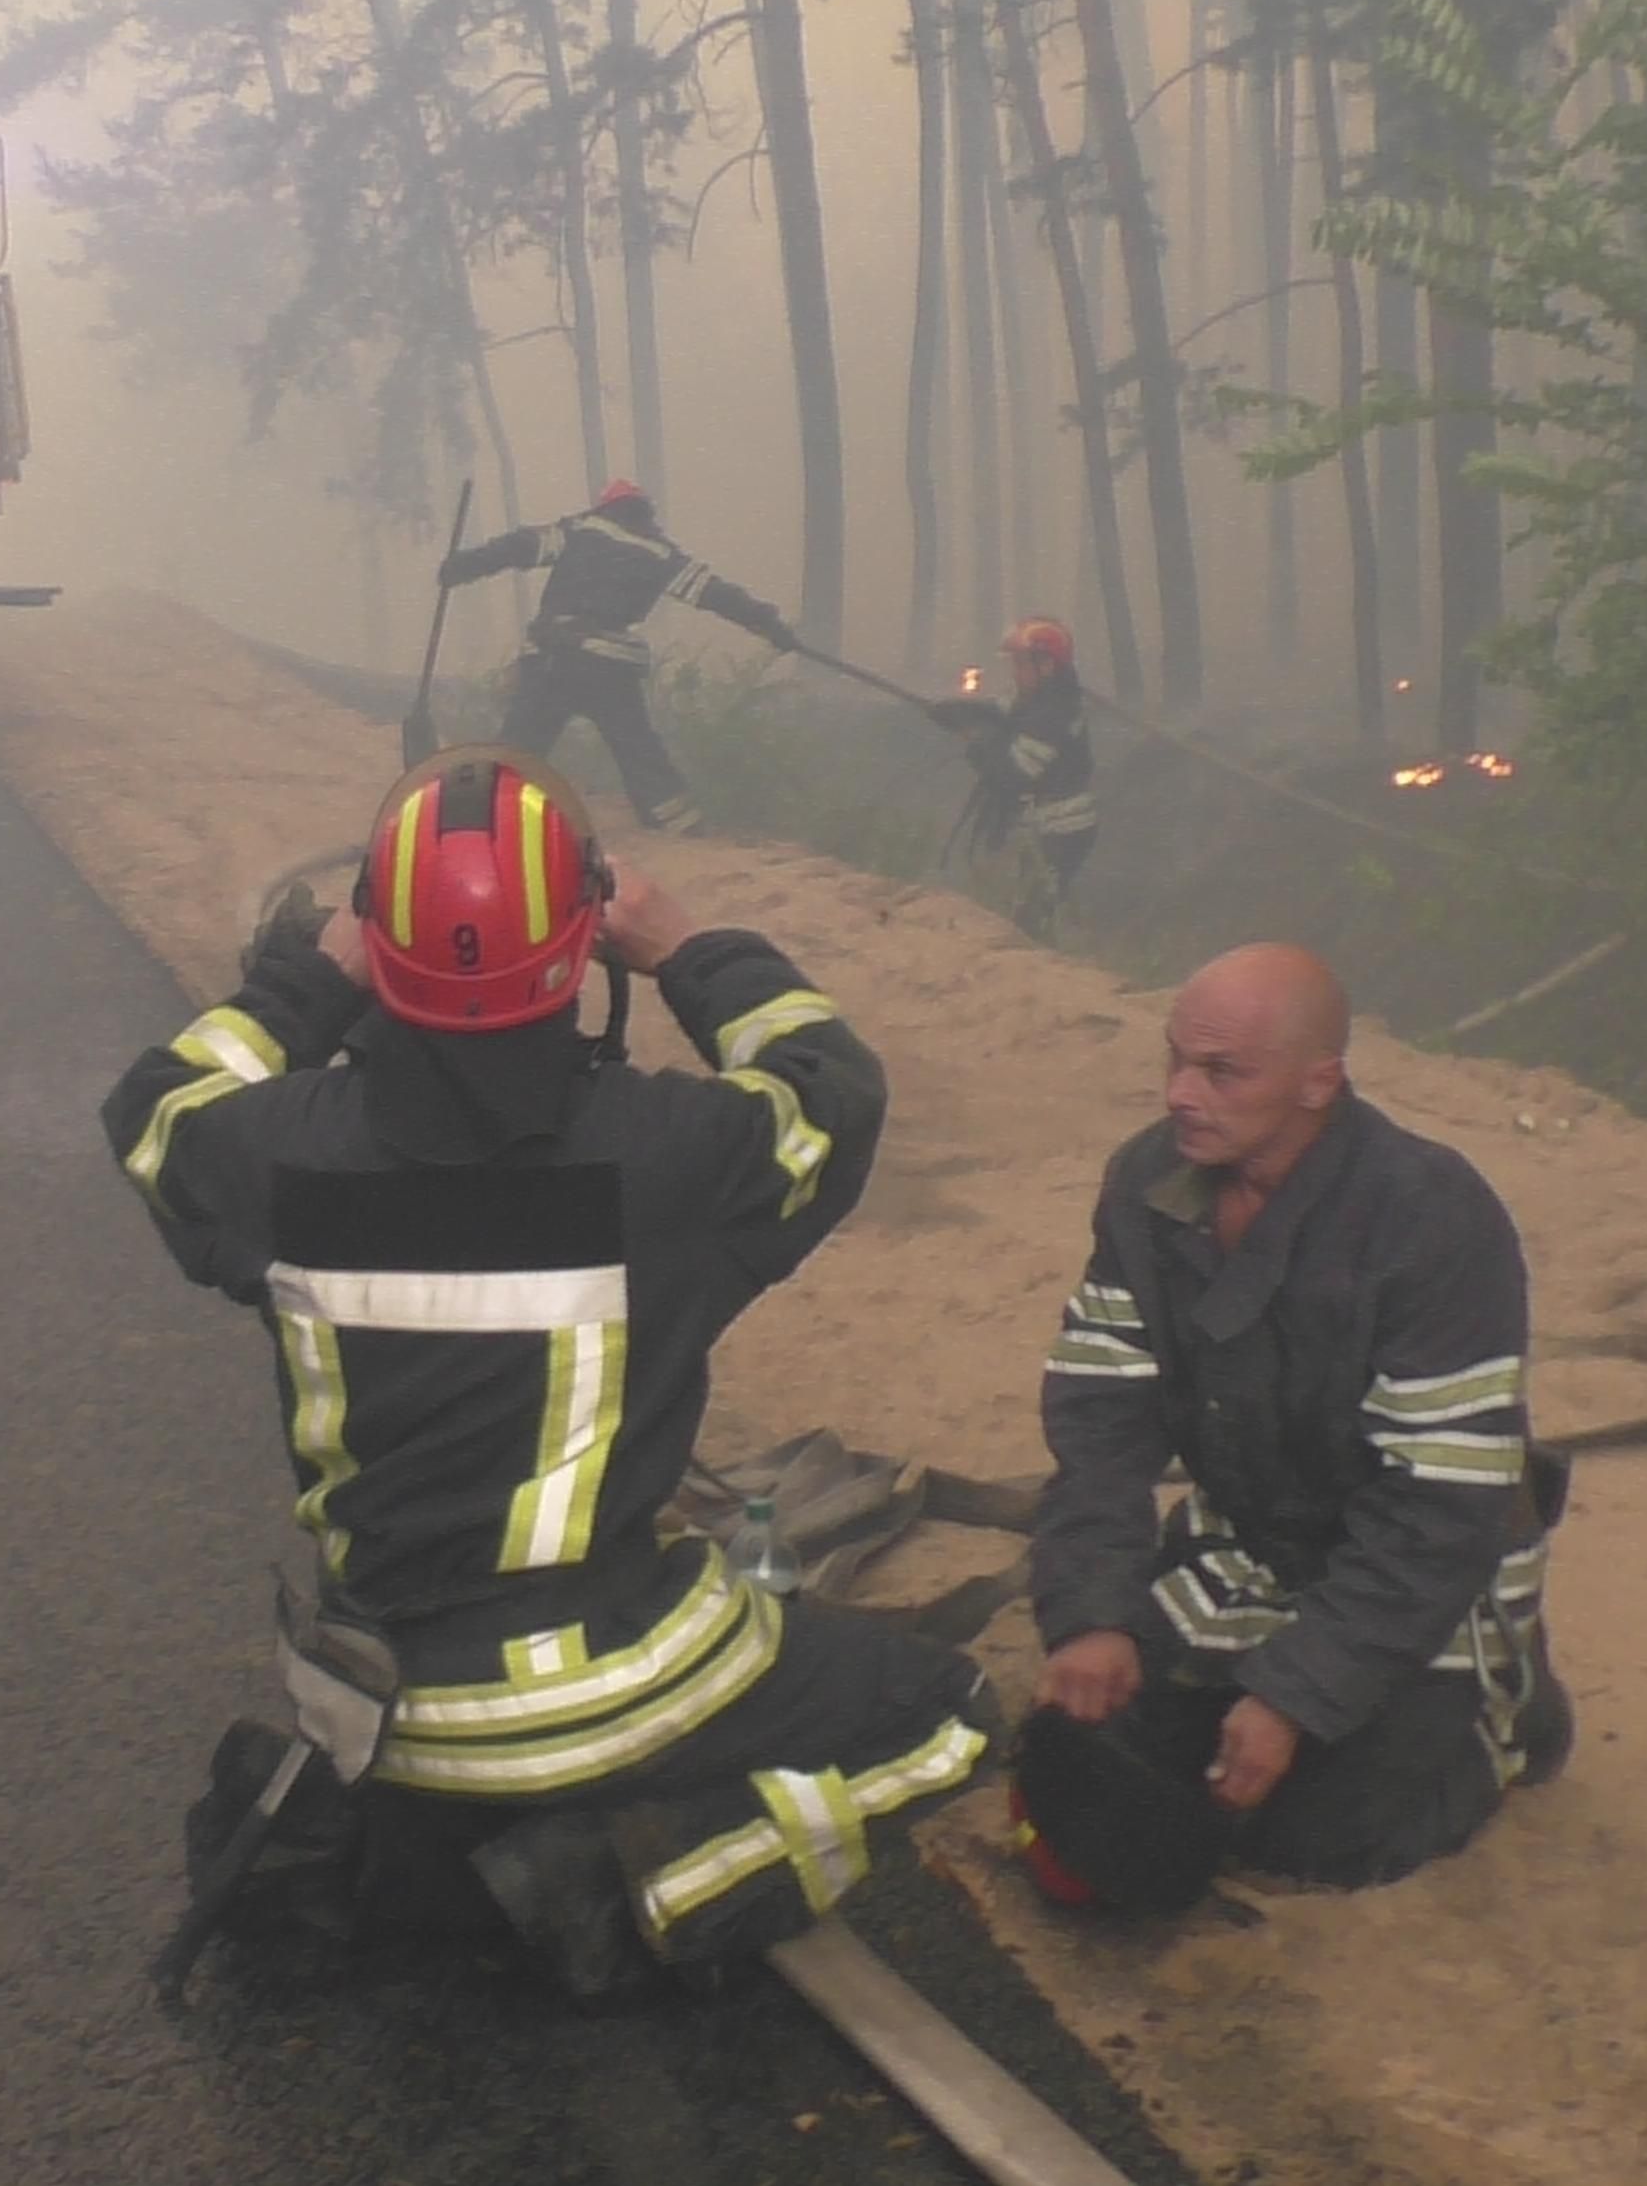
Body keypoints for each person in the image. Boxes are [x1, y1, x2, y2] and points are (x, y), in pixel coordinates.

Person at [103, 750, 995, 1992]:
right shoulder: (671, 1158)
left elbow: (155, 1108)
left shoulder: (270, 1157)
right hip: (598, 1684)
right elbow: (829, 1090)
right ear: (581, 946)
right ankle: (636, 1883)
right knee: (950, 1713)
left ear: (375, 941)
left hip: (382, 1708)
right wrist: (688, 948)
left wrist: (308, 983)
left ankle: (442, 1871)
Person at [1009, 943, 1571, 1919]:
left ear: (1319, 1082)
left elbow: (1440, 1510)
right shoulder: (1147, 1182)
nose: (1180, 1094)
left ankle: (1510, 1716)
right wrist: (1091, 1610)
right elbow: (1099, 1418)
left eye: (1221, 1072)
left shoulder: (1431, 1221)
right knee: (1109, 1755)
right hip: (1247, 1545)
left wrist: (1293, 1696)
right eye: (1175, 1059)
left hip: (1421, 1571)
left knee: (1316, 1839)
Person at [440, 481, 795, 836]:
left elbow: (519, 547)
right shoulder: (660, 553)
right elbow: (717, 595)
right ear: (645, 513)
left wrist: (462, 567)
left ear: (605, 507)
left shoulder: (580, 530)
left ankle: (481, 818)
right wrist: (770, 626)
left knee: (521, 747)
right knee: (637, 749)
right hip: (608, 668)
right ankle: (678, 824)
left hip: (552, 658)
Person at [931, 618, 1102, 925]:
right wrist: (955, 711)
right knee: (1026, 903)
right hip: (1042, 826)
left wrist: (978, 742)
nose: (1015, 672)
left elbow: (1012, 775)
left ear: (1046, 666)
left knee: (1034, 910)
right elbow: (997, 711)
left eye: (1021, 664)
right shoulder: (1033, 699)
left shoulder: (1055, 714)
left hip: (1062, 831)